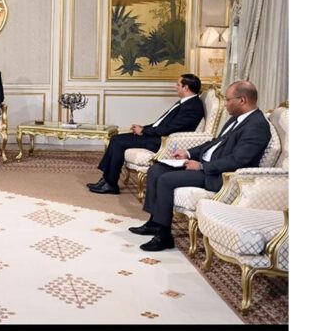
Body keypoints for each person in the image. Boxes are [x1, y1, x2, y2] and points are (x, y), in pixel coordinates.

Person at [130, 80, 271, 251]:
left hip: (220, 175)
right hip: (206, 166)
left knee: (166, 179)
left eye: (228, 100)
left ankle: (164, 236)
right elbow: (214, 143)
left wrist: (202, 167)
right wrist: (188, 153)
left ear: (242, 100)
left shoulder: (257, 125)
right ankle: (155, 223)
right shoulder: (236, 119)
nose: (225, 104)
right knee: (156, 169)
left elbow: (238, 160)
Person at [89, 74, 205, 195]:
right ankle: (107, 180)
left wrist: (144, 131)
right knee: (116, 138)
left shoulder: (193, 106)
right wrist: (143, 128)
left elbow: (170, 129)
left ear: (186, 88)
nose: (175, 87)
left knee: (118, 141)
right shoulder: (185, 103)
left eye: (178, 84)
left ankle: (110, 184)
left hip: (162, 142)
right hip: (156, 136)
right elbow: (160, 124)